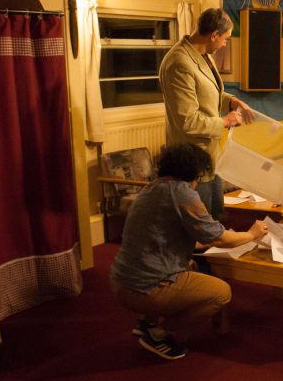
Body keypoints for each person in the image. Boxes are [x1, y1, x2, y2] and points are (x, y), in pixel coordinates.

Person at [109, 143, 269, 360]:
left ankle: (147, 322)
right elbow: (219, 237)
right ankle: (160, 335)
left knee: (190, 265)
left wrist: (208, 240)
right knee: (221, 293)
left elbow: (166, 236)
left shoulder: (153, 187)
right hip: (143, 288)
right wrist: (251, 234)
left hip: (121, 279)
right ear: (194, 172)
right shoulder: (181, 192)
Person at [159, 7, 254, 221]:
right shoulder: (179, 63)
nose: (225, 44)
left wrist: (231, 100)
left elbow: (207, 92)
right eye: (225, 38)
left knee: (216, 215)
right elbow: (187, 121)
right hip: (191, 161)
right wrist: (225, 121)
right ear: (214, 35)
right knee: (199, 223)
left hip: (211, 158)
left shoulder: (203, 55)